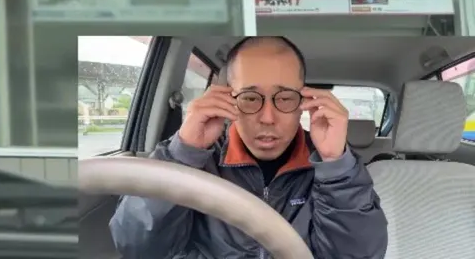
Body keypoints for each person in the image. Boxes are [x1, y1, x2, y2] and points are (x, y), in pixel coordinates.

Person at [109, 37, 388, 259]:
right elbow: (137, 246)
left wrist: (336, 165)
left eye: (285, 97)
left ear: (303, 101)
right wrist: (183, 154)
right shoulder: (194, 158)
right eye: (251, 97)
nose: (267, 117)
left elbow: (358, 254)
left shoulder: (334, 169)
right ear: (228, 98)